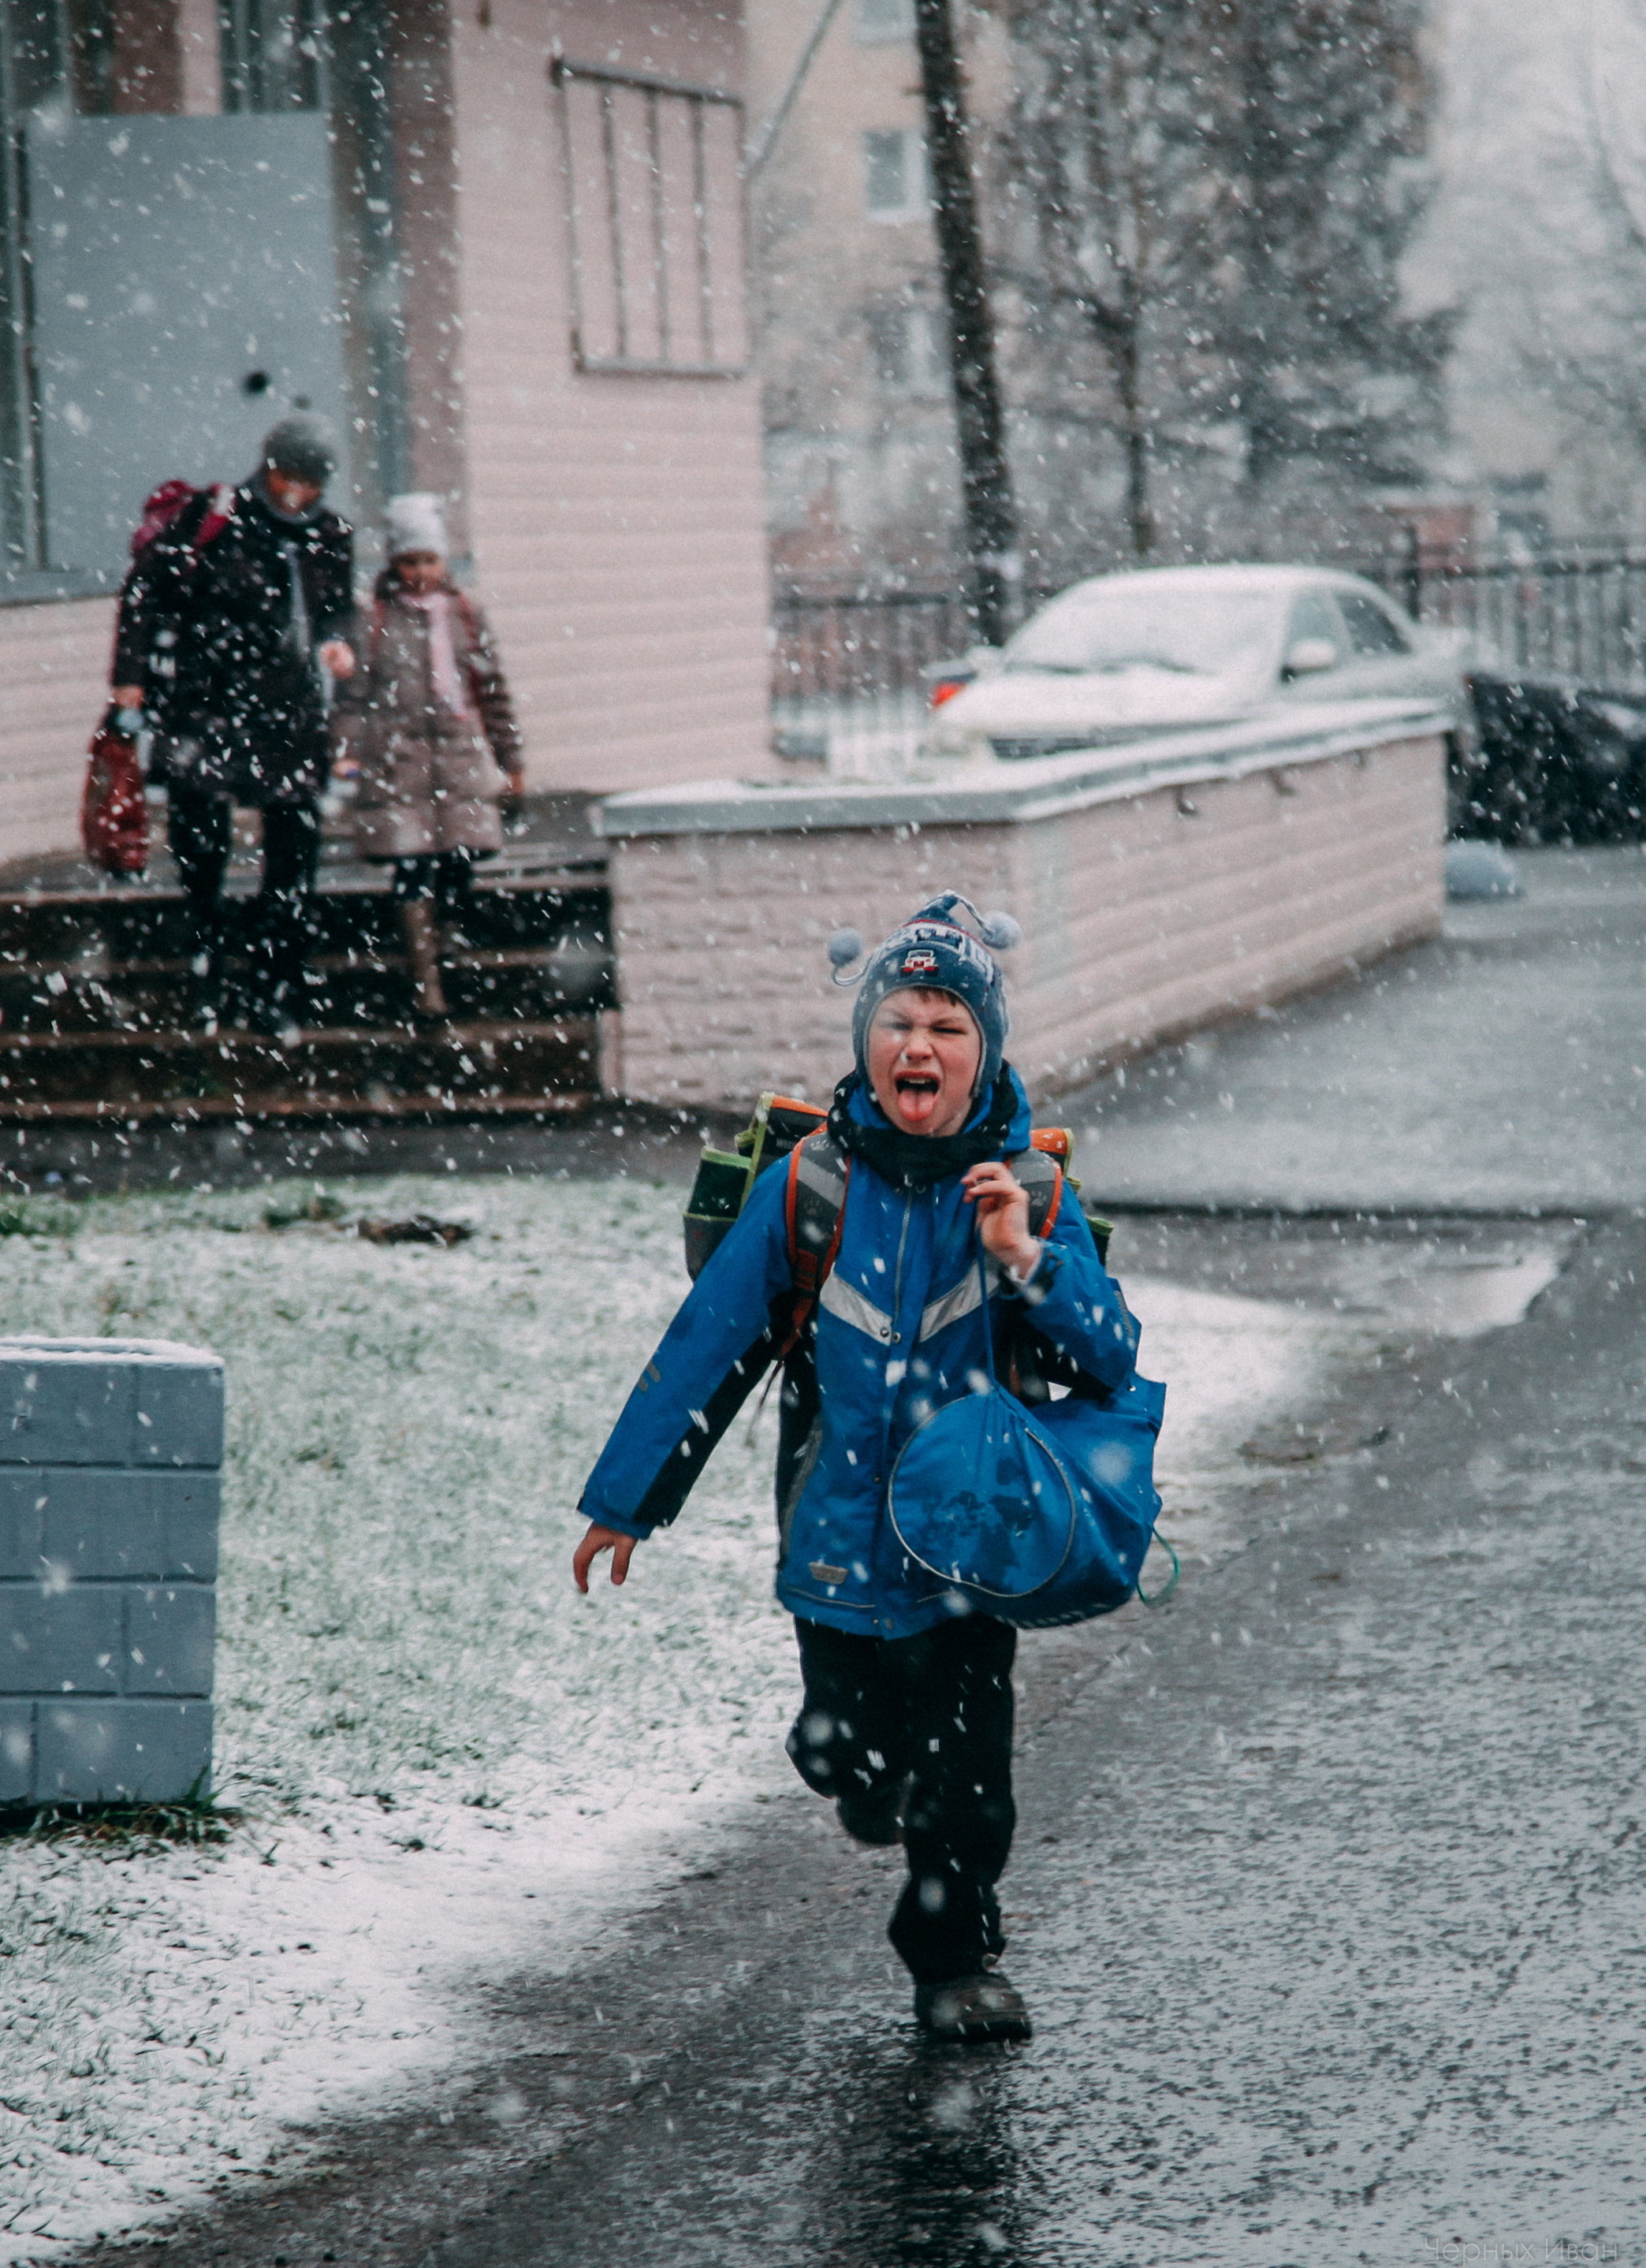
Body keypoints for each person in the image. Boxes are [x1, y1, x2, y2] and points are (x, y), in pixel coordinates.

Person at [572, 895, 1143, 2043]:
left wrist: (1028, 1261)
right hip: (832, 1540)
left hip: (974, 1547)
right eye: (898, 1022)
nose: (918, 1045)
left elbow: (1110, 1355)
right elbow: (707, 1345)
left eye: (947, 1025)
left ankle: (954, 1960)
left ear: (985, 1052)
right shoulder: (810, 1187)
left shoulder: (1028, 1194)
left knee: (967, 1781)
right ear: (866, 1039)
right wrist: (624, 1501)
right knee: (839, 1748)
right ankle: (874, 1785)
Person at [110, 415, 356, 1019]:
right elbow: (145, 593)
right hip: (205, 699)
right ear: (268, 469)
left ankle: (277, 979)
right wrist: (130, 678)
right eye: (289, 478)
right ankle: (208, 962)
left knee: (294, 843)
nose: (298, 493)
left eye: (311, 483)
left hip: (288, 706)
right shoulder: (214, 517)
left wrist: (338, 641)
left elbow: (337, 607)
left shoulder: (329, 534)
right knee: (200, 835)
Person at [336, 493, 523, 1020]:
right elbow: (352, 697)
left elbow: (492, 691)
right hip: (397, 759)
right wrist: (347, 753)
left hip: (456, 756)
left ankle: (449, 937)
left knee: (460, 857)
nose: (420, 573)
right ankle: (427, 980)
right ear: (394, 563)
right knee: (412, 865)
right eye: (409, 562)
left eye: (429, 561)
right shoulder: (374, 619)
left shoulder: (464, 615)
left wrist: (510, 759)